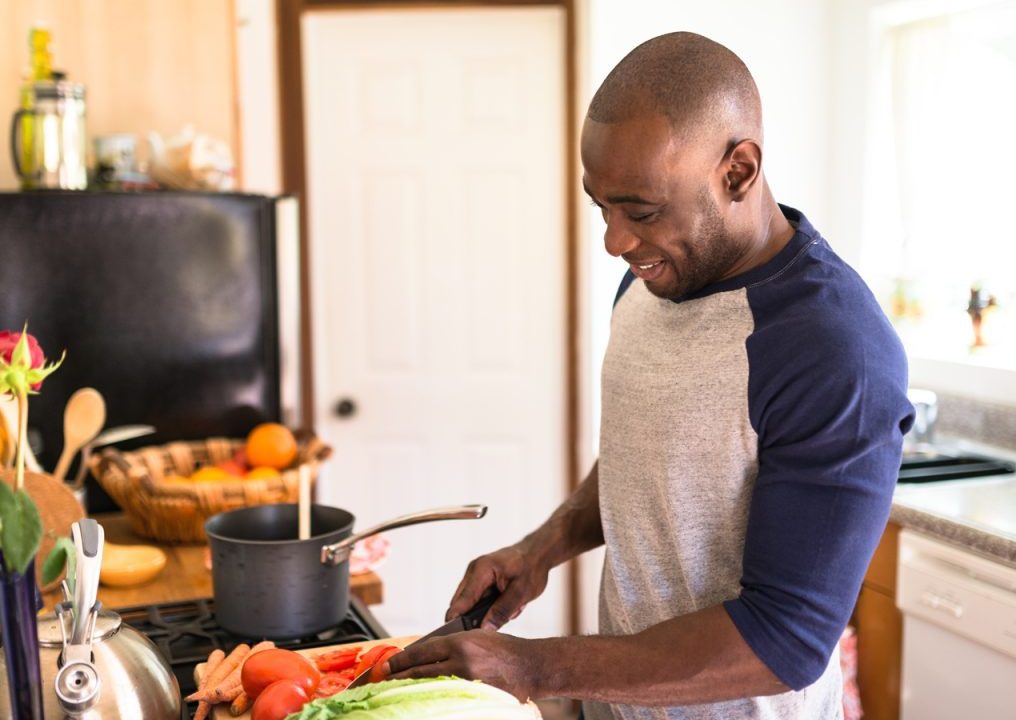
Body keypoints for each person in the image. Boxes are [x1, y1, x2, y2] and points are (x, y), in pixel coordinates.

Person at [382, 31, 914, 720]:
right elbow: (654, 454)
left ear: (738, 171)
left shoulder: (834, 349)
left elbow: (786, 639)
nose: (614, 241)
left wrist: (533, 666)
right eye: (600, 205)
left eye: (641, 210)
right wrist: (544, 545)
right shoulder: (651, 283)